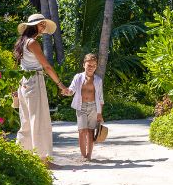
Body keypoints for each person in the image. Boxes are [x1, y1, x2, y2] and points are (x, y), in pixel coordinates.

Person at [13, 13, 69, 168]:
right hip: (34, 81)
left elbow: (17, 66)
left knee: (26, 121)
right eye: (41, 24)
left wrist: (14, 87)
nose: (43, 26)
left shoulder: (21, 42)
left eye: (44, 24)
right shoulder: (33, 43)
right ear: (33, 26)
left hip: (24, 82)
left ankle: (22, 157)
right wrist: (60, 85)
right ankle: (42, 160)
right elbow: (47, 66)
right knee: (39, 120)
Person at [67, 53, 104, 161]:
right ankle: (83, 156)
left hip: (94, 107)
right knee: (82, 131)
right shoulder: (78, 77)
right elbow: (72, 89)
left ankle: (89, 156)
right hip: (81, 106)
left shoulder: (98, 80)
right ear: (84, 65)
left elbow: (100, 98)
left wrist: (99, 113)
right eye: (89, 65)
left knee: (90, 131)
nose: (91, 67)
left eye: (93, 65)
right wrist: (67, 92)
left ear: (96, 67)